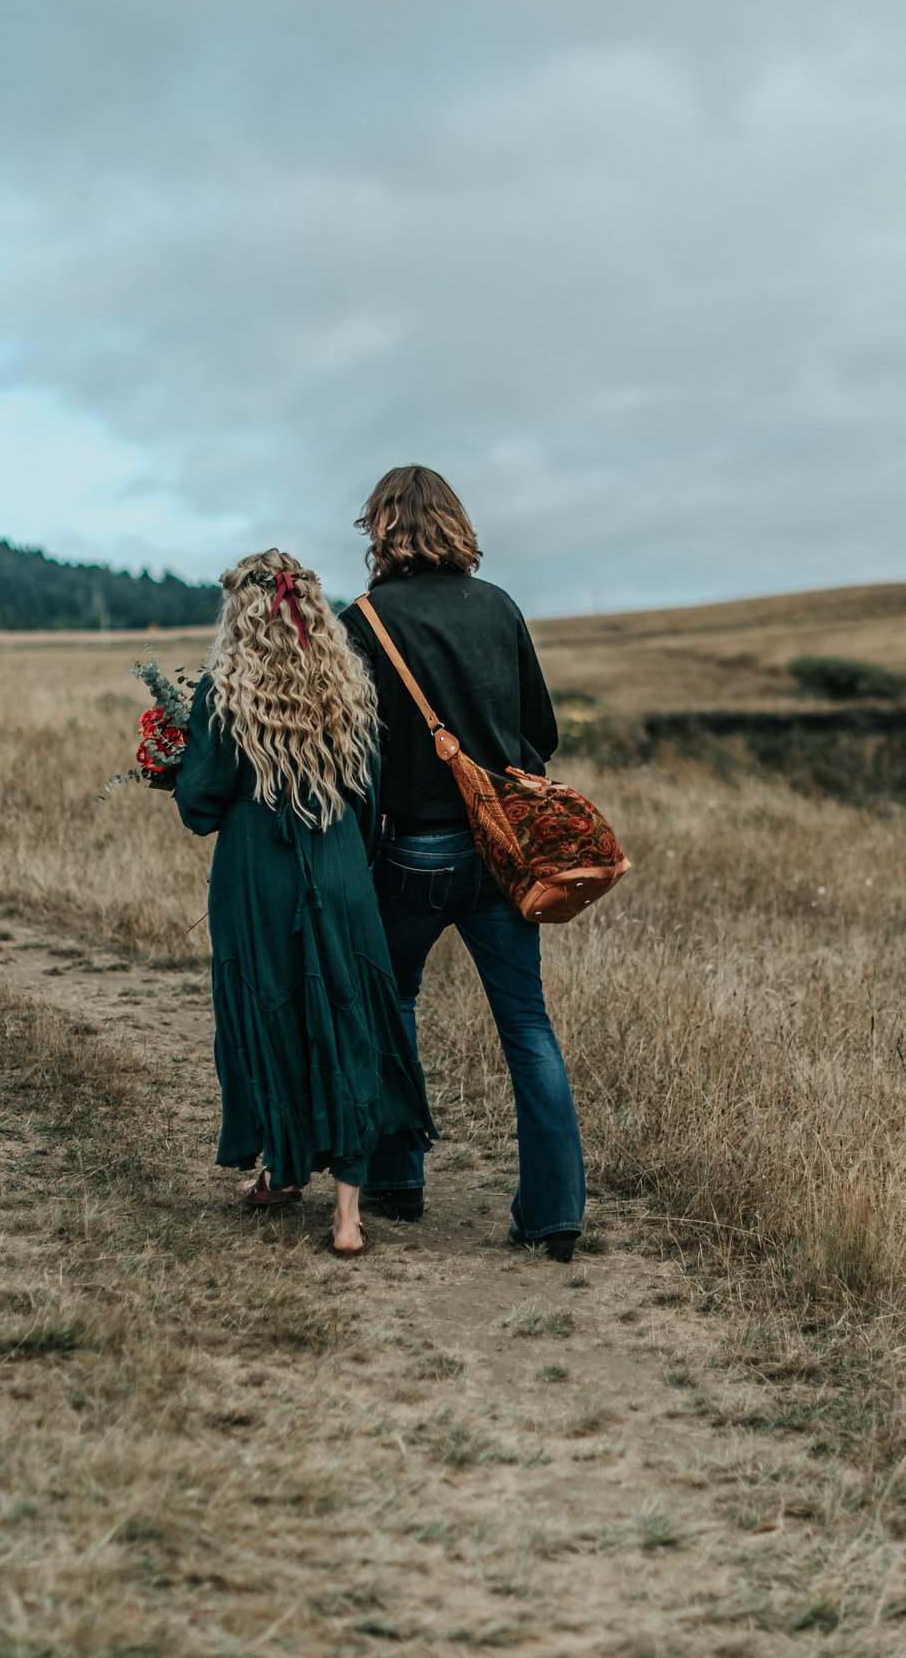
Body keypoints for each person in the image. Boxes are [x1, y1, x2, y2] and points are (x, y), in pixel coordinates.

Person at [338, 466, 586, 1263]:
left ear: (382, 527)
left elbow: (351, 754)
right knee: (527, 1027)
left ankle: (397, 1179)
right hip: (504, 857)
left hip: (408, 851)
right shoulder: (502, 607)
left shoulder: (364, 622)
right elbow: (538, 733)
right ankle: (554, 1215)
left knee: (394, 1003)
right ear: (454, 521)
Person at [172, 548, 435, 1257]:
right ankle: (347, 1217)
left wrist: (180, 765)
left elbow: (199, 804)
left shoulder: (222, 692)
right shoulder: (349, 686)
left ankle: (283, 1171)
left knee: (271, 1012)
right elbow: (369, 796)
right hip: (340, 861)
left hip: (258, 876)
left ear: (242, 615)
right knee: (347, 1013)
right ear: (314, 610)